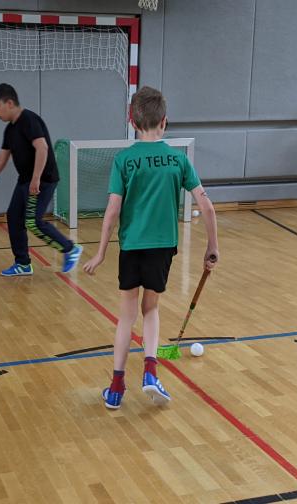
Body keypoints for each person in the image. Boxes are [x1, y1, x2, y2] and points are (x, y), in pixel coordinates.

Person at [82, 86, 219, 410]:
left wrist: (100, 252)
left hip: (131, 246)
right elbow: (207, 206)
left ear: (132, 120)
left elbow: (113, 210)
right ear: (165, 122)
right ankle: (150, 373)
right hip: (162, 248)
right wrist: (212, 247)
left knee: (127, 315)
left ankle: (116, 387)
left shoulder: (124, 159)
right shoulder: (177, 159)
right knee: (151, 309)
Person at [0, 83, 83, 276]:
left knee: (32, 221)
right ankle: (23, 263)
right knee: (14, 217)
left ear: (9, 103)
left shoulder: (29, 120)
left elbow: (42, 148)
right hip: (25, 179)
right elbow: (1, 159)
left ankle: (70, 249)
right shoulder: (10, 130)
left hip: (43, 180)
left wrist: (36, 179)